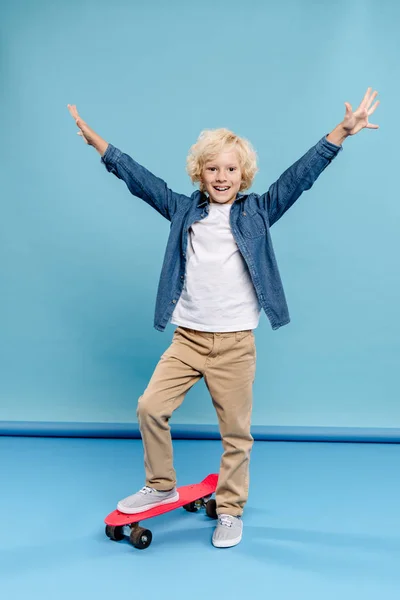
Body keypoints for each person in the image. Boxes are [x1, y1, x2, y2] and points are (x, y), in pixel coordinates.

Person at [67, 88, 379, 548]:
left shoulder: (258, 211)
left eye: (231, 169)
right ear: (200, 172)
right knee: (150, 407)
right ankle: (162, 484)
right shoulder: (182, 210)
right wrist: (101, 146)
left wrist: (340, 135)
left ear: (243, 174)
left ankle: (230, 510)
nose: (222, 176)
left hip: (234, 344)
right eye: (213, 168)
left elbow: (301, 176)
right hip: (188, 340)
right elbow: (140, 180)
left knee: (236, 433)